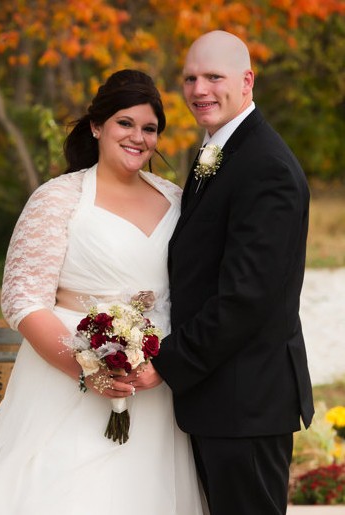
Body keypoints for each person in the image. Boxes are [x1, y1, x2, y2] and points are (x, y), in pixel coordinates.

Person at [0, 69, 205, 515]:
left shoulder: (177, 200)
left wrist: (167, 362)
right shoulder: (58, 198)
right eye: (125, 123)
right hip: (68, 383)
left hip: (158, 383)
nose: (138, 137)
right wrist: (85, 369)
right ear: (97, 126)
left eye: (150, 128)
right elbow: (22, 299)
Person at [126, 31, 315, 514]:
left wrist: (166, 363)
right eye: (190, 78)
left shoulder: (266, 166)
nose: (199, 89)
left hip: (246, 402)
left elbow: (246, 298)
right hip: (219, 398)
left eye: (214, 77)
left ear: (248, 81)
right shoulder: (221, 150)